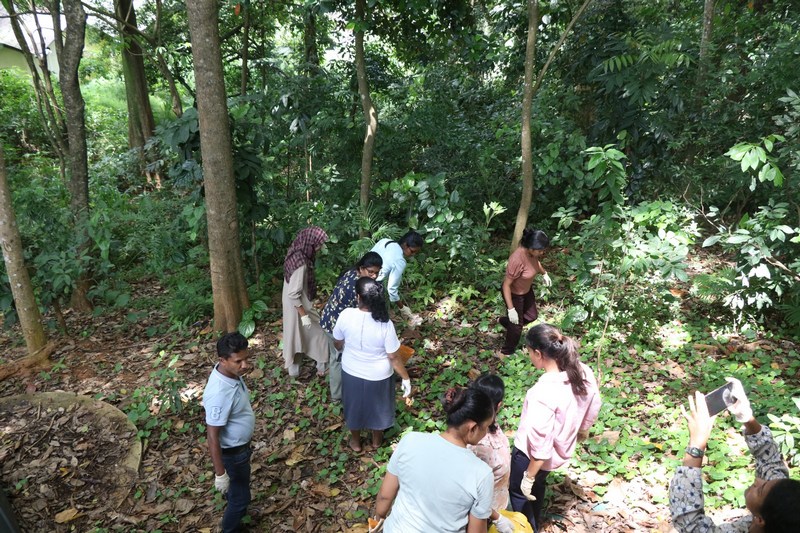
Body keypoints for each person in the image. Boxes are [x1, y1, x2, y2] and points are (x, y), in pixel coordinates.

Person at [669, 377, 800, 533]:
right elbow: (770, 461)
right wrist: (746, 417)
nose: (758, 480)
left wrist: (697, 444)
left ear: (759, 520)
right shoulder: (782, 507)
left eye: (760, 489)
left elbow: (691, 525)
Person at [509, 324, 601, 532]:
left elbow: (540, 443)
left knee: (520, 493)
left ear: (538, 353)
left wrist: (529, 476)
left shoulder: (543, 391)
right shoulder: (582, 371)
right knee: (538, 487)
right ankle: (536, 520)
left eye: (529, 352)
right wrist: (583, 429)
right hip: (557, 453)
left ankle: (526, 528)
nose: (529, 356)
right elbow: (594, 403)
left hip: (530, 457)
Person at [371, 387, 496, 533]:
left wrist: (375, 526)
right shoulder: (481, 474)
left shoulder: (411, 441)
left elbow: (385, 497)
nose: (486, 432)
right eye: (486, 427)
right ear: (472, 428)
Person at [333, 277, 411, 452]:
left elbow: (337, 343)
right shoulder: (385, 323)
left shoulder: (346, 315)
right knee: (379, 407)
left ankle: (356, 442)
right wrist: (406, 378)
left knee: (353, 406)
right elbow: (393, 357)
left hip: (351, 370)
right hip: (379, 375)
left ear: (358, 297)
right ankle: (376, 441)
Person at [203, 332, 255, 533]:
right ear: (222, 360)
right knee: (240, 498)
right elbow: (212, 435)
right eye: (238, 361)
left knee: (239, 491)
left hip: (240, 449)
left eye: (246, 359)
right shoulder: (219, 393)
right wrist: (220, 473)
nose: (245, 365)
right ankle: (231, 529)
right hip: (233, 454)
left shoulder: (229, 374)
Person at [320, 251, 383, 401]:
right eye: (371, 272)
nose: (374, 276)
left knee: (339, 358)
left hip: (330, 318)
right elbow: (363, 314)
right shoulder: (356, 288)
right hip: (334, 325)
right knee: (338, 359)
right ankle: (337, 396)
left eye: (377, 273)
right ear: (361, 269)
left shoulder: (353, 274)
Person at [468, 374, 515, 533]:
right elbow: (473, 496)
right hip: (486, 515)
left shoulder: (467, 431)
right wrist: (497, 518)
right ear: (499, 405)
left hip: (496, 504)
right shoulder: (482, 445)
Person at [282, 225, 330, 377]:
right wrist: (304, 315)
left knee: (295, 335)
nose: (319, 248)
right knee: (321, 333)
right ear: (310, 243)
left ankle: (294, 371)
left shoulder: (295, 253)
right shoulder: (301, 263)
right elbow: (294, 292)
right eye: (318, 245)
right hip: (298, 304)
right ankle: (323, 367)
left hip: (292, 304)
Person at [498, 229, 551, 358]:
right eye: (540, 250)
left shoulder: (532, 254)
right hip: (514, 294)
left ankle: (505, 322)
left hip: (527, 291)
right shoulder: (517, 259)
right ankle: (505, 352)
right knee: (517, 327)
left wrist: (544, 273)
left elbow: (536, 263)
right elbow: (506, 285)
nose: (542, 253)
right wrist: (511, 309)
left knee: (532, 316)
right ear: (531, 248)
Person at [370, 230, 424, 323]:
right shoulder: (400, 261)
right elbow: (392, 289)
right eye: (412, 251)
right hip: (372, 286)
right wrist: (402, 308)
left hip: (359, 276)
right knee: (378, 320)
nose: (413, 255)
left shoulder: (385, 241)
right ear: (405, 245)